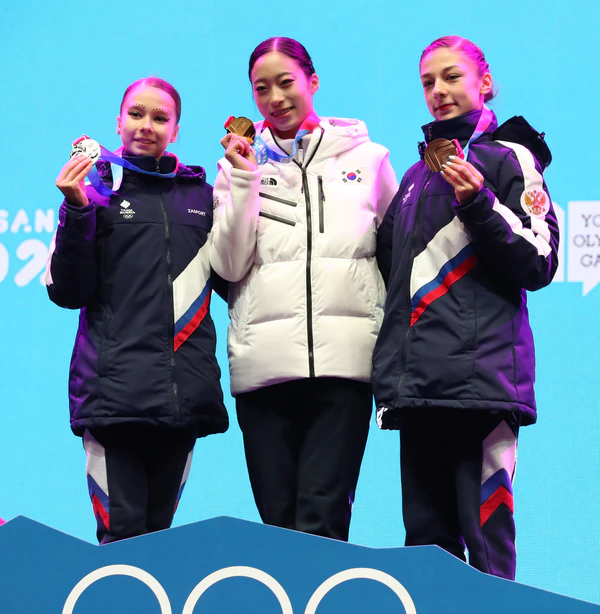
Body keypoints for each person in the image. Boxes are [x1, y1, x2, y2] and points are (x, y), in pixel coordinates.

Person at [372, 35, 559, 579]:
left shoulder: (510, 159)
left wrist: (478, 202)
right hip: (418, 391)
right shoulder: (414, 177)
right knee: (425, 555)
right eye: (428, 82)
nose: (438, 90)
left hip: (482, 391)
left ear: (486, 82)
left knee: (487, 553)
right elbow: (393, 276)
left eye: (452, 76)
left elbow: (541, 259)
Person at [210, 37, 398, 541]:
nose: (275, 98)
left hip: (344, 369)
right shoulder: (235, 168)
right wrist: (244, 180)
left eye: (286, 82)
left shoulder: (370, 160)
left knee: (323, 522)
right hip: (264, 371)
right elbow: (227, 267)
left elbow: (396, 258)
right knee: (278, 527)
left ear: (312, 82)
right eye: (261, 88)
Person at [47, 77, 228, 544]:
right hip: (113, 398)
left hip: (181, 398)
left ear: (176, 130)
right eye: (136, 114)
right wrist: (76, 209)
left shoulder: (200, 196)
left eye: (160, 117)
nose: (147, 125)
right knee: (122, 540)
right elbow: (68, 290)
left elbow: (232, 277)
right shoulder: (93, 189)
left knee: (159, 542)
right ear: (118, 122)